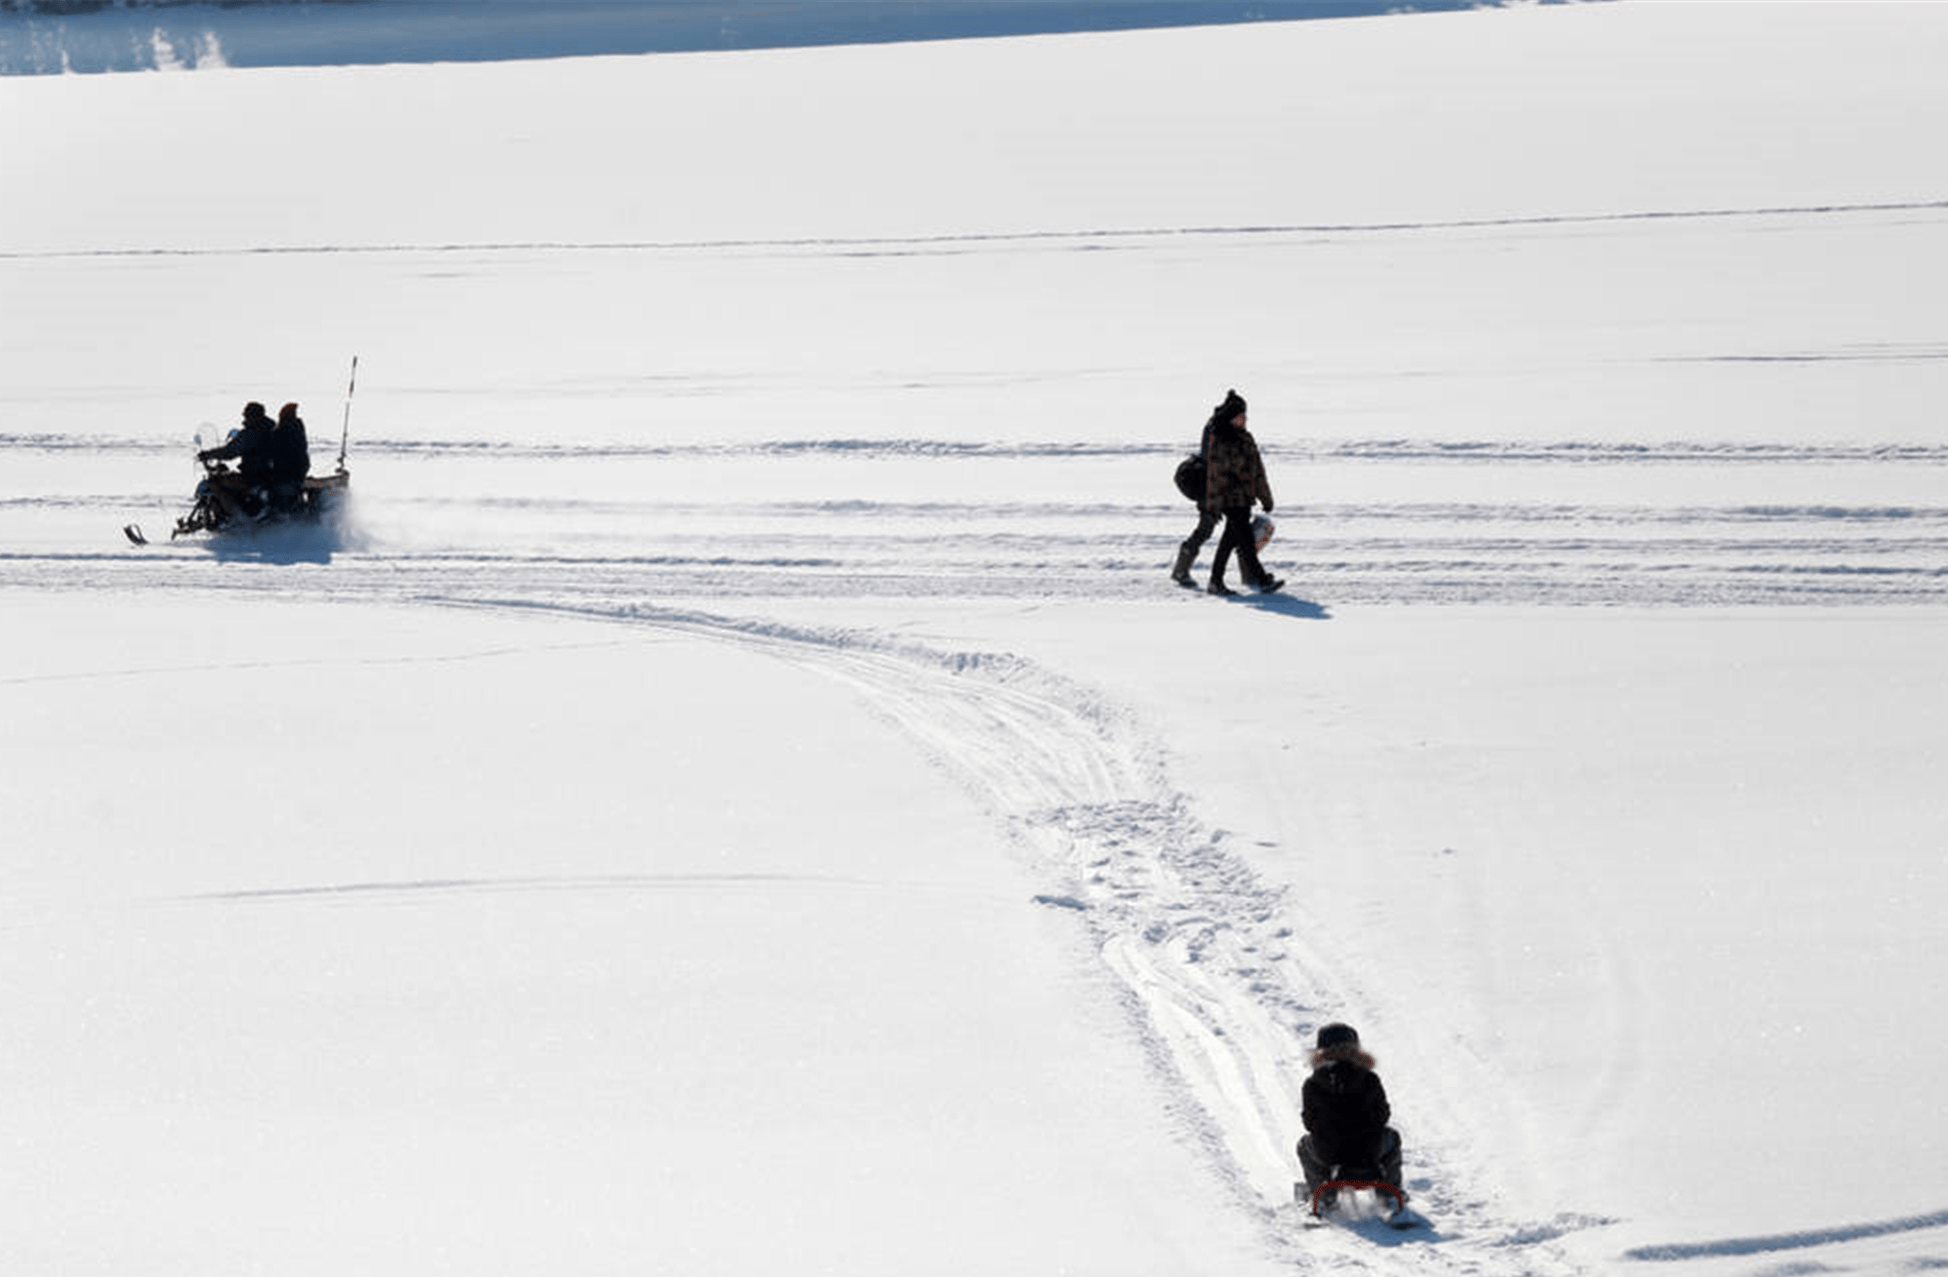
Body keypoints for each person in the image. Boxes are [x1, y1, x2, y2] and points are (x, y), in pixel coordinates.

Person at [1297, 1022, 1403, 1208]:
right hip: (1370, 1151)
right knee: (1392, 1137)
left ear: (1321, 1051)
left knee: (1305, 1145)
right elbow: (1382, 1115)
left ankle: (1321, 1194)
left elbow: (1309, 1122)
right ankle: (1390, 1192)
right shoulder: (1369, 1079)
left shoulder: (1313, 1084)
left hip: (1330, 1153)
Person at [1201, 388, 1282, 596]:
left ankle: (1215, 582)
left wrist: (1266, 497)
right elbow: (1215, 476)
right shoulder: (1220, 439)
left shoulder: (1246, 437)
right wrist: (1213, 505)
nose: (1245, 419)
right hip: (1231, 501)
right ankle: (1261, 580)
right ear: (1231, 418)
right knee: (1246, 543)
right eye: (1240, 416)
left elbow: (1258, 471)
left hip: (1245, 500)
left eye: (1245, 415)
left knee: (1228, 542)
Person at [197, 401, 277, 520]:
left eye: (246, 415)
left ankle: (237, 517)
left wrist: (209, 454)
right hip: (271, 472)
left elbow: (230, 451)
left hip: (254, 474)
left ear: (251, 416)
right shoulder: (272, 428)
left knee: (216, 483)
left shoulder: (252, 432)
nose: (245, 418)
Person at [268, 401, 311, 513]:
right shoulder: (297, 428)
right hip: (300, 469)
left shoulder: (282, 431)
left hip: (286, 472)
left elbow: (270, 449)